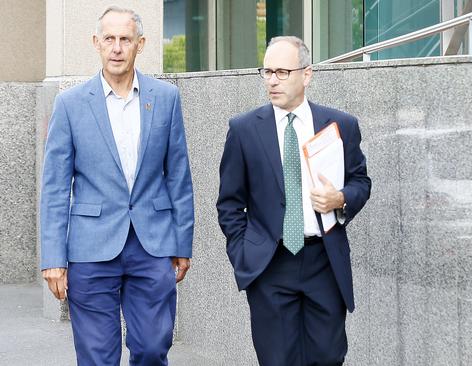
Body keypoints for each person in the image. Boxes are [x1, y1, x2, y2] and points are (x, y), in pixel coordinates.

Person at [40, 6, 194, 365]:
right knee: (97, 356)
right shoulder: (70, 105)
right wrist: (53, 259)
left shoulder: (166, 98)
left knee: (153, 349)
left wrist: (182, 243)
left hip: (152, 245)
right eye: (109, 39)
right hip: (90, 248)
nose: (117, 47)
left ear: (140, 44)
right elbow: (55, 188)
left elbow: (179, 178)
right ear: (96, 43)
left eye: (125, 39)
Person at [217, 36, 371, 365]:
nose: (272, 80)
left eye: (283, 72)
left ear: (307, 74)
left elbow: (361, 181)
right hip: (270, 264)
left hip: (323, 262)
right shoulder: (244, 130)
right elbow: (229, 204)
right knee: (277, 359)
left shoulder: (339, 125)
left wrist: (341, 197)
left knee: (328, 357)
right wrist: (243, 253)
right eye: (267, 71)